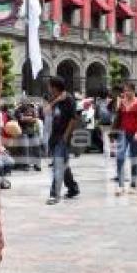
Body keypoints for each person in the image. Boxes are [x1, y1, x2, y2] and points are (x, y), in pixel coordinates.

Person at [46, 76, 80, 205]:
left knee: (58, 164)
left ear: (55, 87)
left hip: (63, 136)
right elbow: (46, 111)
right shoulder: (55, 99)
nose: (48, 88)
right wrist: (56, 101)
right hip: (55, 136)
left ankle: (54, 194)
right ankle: (73, 188)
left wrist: (66, 136)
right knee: (63, 165)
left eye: (50, 86)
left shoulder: (69, 99)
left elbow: (73, 119)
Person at [114, 82, 137, 195]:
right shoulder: (121, 102)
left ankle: (133, 184)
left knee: (134, 158)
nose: (126, 93)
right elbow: (115, 116)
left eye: (128, 90)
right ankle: (120, 185)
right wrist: (117, 106)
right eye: (124, 90)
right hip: (123, 132)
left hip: (135, 133)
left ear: (133, 91)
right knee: (120, 157)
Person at [15, 99, 43, 171]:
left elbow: (36, 119)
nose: (27, 104)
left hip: (33, 131)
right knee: (25, 147)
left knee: (36, 146)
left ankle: (37, 164)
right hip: (23, 131)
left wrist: (27, 118)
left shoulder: (32, 109)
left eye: (27, 103)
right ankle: (25, 165)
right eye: (25, 103)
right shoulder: (19, 110)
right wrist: (30, 118)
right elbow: (21, 119)